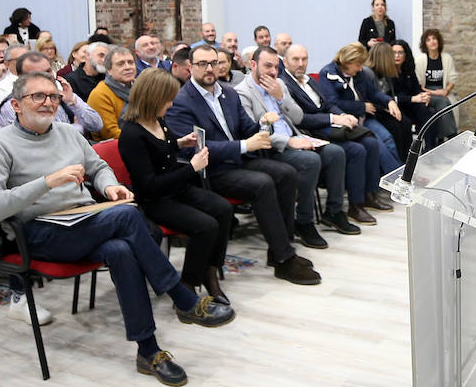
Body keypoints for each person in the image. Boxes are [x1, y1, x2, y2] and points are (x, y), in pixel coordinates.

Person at [0, 71, 232, 385]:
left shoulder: (68, 133)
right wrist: (46, 183)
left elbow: (98, 167)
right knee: (126, 216)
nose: (48, 103)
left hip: (83, 221)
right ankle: (183, 298)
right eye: (38, 96)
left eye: (53, 96)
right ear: (15, 104)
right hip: (37, 234)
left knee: (121, 249)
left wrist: (110, 187)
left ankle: (148, 352)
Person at [165, 45, 322, 285]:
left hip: (238, 162)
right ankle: (284, 259)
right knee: (262, 183)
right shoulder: (181, 101)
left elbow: (248, 129)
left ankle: (280, 247)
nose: (209, 69)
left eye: (214, 63)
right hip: (211, 171)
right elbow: (193, 149)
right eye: (202, 64)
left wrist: (264, 126)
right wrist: (244, 146)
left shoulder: (227, 93)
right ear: (190, 68)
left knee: (287, 173)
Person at [119, 68, 236, 303]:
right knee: (205, 226)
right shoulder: (131, 135)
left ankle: (209, 270)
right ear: (153, 99)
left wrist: (180, 142)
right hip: (155, 200)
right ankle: (188, 282)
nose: (171, 104)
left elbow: (165, 147)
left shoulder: (158, 121)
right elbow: (150, 185)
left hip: (177, 188)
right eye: (168, 99)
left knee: (224, 210)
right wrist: (191, 167)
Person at [235, 46, 354, 238]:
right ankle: (303, 221)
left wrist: (281, 98)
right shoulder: (242, 93)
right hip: (271, 147)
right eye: (267, 66)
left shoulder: (279, 85)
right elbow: (253, 133)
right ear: (253, 65)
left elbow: (298, 118)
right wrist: (289, 142)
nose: (273, 72)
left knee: (336, 153)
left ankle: (334, 212)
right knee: (310, 161)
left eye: (275, 66)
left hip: (296, 135)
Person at [283, 43, 383, 225]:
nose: (300, 63)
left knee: (370, 142)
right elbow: (300, 119)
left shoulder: (308, 80)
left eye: (304, 59)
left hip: (328, 128)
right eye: (295, 59)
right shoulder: (285, 84)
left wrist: (343, 115)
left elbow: (328, 104)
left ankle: (368, 195)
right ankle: (352, 205)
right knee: (356, 150)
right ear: (285, 62)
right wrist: (333, 119)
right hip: (312, 132)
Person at [318, 42, 403, 183]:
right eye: (358, 65)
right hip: (349, 121)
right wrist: (362, 107)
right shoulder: (327, 73)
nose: (360, 69)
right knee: (378, 144)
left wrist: (389, 101)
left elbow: (373, 93)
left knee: (388, 139)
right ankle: (398, 181)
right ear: (347, 62)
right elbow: (333, 103)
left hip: (366, 118)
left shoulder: (359, 73)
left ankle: (395, 178)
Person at [0, 51, 103, 135]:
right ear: (21, 78)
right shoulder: (15, 104)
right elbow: (44, 141)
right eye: (38, 74)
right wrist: (77, 128)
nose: (48, 77)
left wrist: (73, 102)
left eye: (48, 71)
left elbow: (97, 125)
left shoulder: (62, 92)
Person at [366, 42, 416, 158]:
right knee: (396, 127)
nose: (394, 58)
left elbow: (390, 95)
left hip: (386, 109)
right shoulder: (368, 74)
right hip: (375, 112)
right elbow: (371, 98)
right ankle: (399, 163)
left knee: (405, 122)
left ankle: (408, 161)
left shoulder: (386, 74)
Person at [418, 28, 458, 146]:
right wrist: (436, 93)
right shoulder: (421, 60)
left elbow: (452, 78)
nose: (432, 41)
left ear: (438, 41)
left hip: (443, 91)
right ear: (425, 43)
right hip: (427, 92)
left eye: (434, 38)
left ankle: (440, 139)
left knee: (445, 102)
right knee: (443, 101)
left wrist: (446, 90)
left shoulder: (446, 58)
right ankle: (452, 136)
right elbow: (419, 85)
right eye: (428, 39)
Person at [88, 45, 138, 140]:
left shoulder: (140, 87)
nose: (128, 67)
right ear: (109, 70)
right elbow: (111, 134)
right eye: (120, 64)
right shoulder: (100, 94)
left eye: (131, 62)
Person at [0, 44, 34, 111]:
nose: (27, 62)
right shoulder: (0, 89)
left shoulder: (40, 80)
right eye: (21, 59)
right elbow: (5, 117)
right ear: (7, 64)